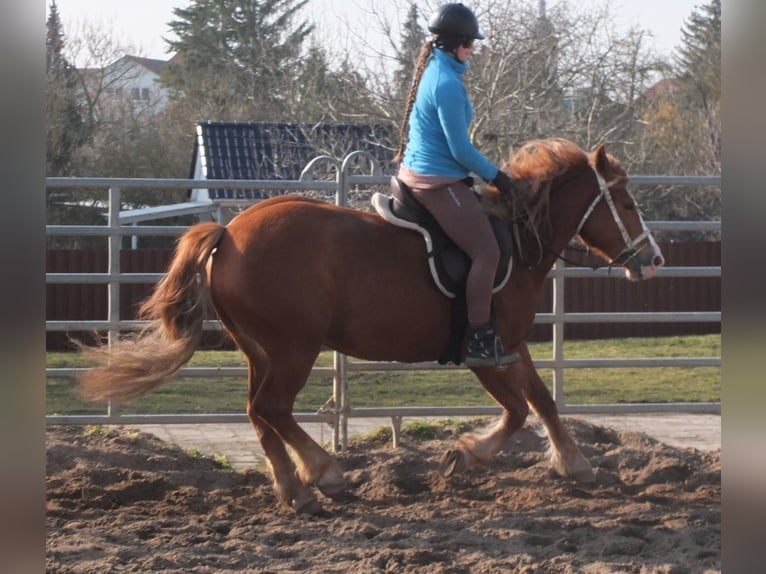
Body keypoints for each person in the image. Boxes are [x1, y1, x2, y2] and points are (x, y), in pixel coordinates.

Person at [393, 2, 519, 368]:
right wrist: (497, 175)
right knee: (488, 252)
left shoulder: (435, 69)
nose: (473, 50)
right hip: (436, 181)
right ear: (454, 44)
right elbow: (460, 149)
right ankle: (479, 337)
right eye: (470, 44)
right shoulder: (446, 83)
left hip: (427, 172)